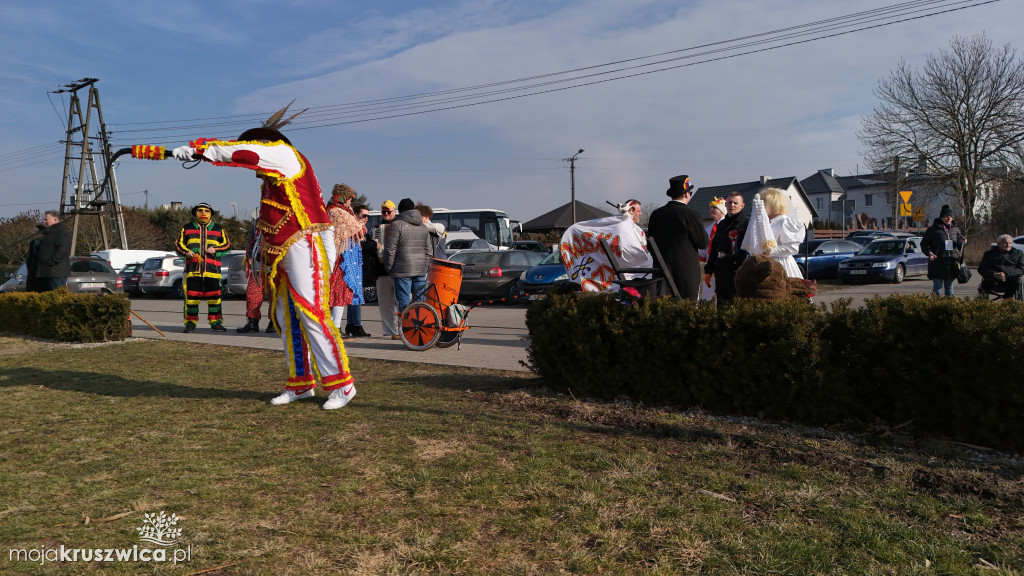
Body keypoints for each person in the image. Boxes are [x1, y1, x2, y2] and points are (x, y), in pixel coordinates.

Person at [148, 103, 356, 409]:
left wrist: (198, 150)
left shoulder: (283, 155)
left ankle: (342, 384)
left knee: (312, 313)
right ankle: (301, 384)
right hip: (285, 250)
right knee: (286, 316)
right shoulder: (275, 176)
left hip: (303, 243)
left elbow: (242, 153)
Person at [647, 175, 709, 300]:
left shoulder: (656, 214)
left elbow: (650, 245)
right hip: (686, 273)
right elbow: (703, 243)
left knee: (663, 309)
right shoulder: (691, 215)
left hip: (661, 271)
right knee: (686, 310)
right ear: (686, 194)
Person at [175, 202, 232, 333]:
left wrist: (215, 249)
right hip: (193, 270)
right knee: (191, 298)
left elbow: (227, 246)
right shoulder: (187, 228)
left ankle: (216, 322)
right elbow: (178, 245)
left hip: (213, 271)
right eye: (200, 211)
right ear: (196, 213)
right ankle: (190, 323)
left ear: (211, 213)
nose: (203, 213)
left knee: (215, 297)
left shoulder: (218, 229)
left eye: (206, 211)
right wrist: (186, 252)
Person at [326, 184, 366, 337]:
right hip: (340, 259)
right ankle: (334, 327)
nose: (350, 203)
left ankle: (334, 326)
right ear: (344, 198)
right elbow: (357, 229)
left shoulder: (336, 210)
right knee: (339, 293)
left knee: (340, 293)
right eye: (349, 200)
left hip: (342, 258)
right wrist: (360, 226)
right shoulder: (336, 212)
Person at [384, 198, 433, 316]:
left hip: (402, 270)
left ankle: (406, 331)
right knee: (419, 303)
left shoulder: (396, 225)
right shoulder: (423, 227)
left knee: (404, 304)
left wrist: (389, 266)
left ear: (400, 211)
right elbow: (428, 251)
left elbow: (390, 249)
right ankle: (417, 331)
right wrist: (424, 267)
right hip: (420, 270)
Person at [705, 191, 748, 303]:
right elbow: (714, 249)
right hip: (721, 270)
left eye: (735, 203)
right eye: (729, 202)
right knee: (722, 304)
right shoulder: (721, 224)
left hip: (737, 271)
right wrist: (708, 270)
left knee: (736, 303)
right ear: (725, 205)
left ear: (742, 205)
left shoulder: (747, 223)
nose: (732, 205)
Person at [758, 187, 805, 278]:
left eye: (764, 203)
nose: (762, 206)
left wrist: (768, 251)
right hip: (764, 263)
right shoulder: (765, 222)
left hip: (781, 264)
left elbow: (792, 248)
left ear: (773, 204)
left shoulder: (785, 222)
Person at [235, 222, 273, 333]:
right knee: (252, 294)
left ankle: (274, 323)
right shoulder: (258, 221)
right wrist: (249, 254)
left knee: (276, 297)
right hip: (258, 266)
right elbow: (252, 241)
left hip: (276, 267)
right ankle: (252, 322)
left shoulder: (282, 216)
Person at [921, 204, 966, 297]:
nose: (949, 218)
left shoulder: (955, 229)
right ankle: (936, 307)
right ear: (941, 217)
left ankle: (948, 307)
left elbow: (958, 245)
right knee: (937, 287)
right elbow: (924, 244)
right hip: (938, 262)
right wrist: (929, 252)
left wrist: (963, 242)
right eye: (946, 216)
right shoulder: (933, 230)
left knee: (949, 286)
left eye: (951, 217)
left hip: (951, 263)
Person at [373, 200, 401, 340]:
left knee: (400, 301)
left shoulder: (399, 225)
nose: (385, 214)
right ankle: (389, 330)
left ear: (394, 211)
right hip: (381, 270)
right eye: (383, 211)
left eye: (388, 211)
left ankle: (401, 329)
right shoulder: (377, 227)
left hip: (397, 270)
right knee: (385, 303)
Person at [346, 204, 372, 337]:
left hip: (357, 263)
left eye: (368, 216)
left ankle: (352, 324)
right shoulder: (354, 227)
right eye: (364, 215)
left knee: (354, 294)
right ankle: (356, 325)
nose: (366, 218)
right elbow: (364, 245)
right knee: (355, 293)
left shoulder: (360, 228)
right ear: (355, 215)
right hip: (351, 262)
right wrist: (373, 244)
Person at [34, 210, 72, 292]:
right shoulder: (49, 233)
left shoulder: (62, 233)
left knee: (57, 298)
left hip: (56, 273)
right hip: (47, 272)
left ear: (55, 220)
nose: (45, 221)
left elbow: (62, 251)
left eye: (46, 219)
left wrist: (50, 262)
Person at [699, 197, 726, 301]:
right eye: (710, 207)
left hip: (723, 268)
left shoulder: (727, 226)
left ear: (722, 210)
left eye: (715, 208)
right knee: (707, 298)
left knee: (722, 298)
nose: (711, 210)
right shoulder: (709, 228)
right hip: (710, 267)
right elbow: (704, 249)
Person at [24, 223, 47, 292]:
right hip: (32, 274)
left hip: (41, 275)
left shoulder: (45, 243)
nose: (33, 233)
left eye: (35, 231)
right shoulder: (33, 243)